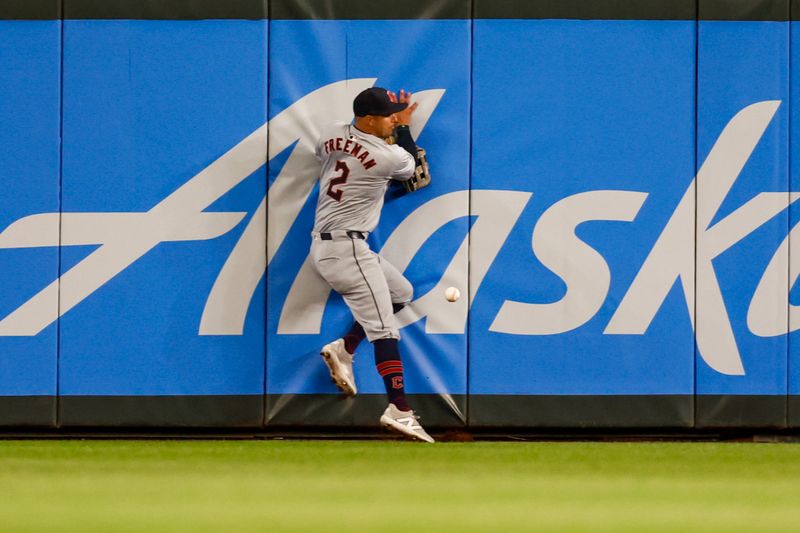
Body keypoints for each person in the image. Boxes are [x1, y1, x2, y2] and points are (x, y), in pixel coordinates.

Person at [310, 86, 434, 443]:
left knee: (402, 293)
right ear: (367, 119)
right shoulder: (387, 156)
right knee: (385, 332)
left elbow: (329, 151)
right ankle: (399, 409)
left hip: (332, 243)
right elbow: (412, 167)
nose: (394, 118)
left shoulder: (332, 133)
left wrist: (395, 123)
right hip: (347, 249)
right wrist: (407, 129)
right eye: (388, 115)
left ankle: (344, 348)